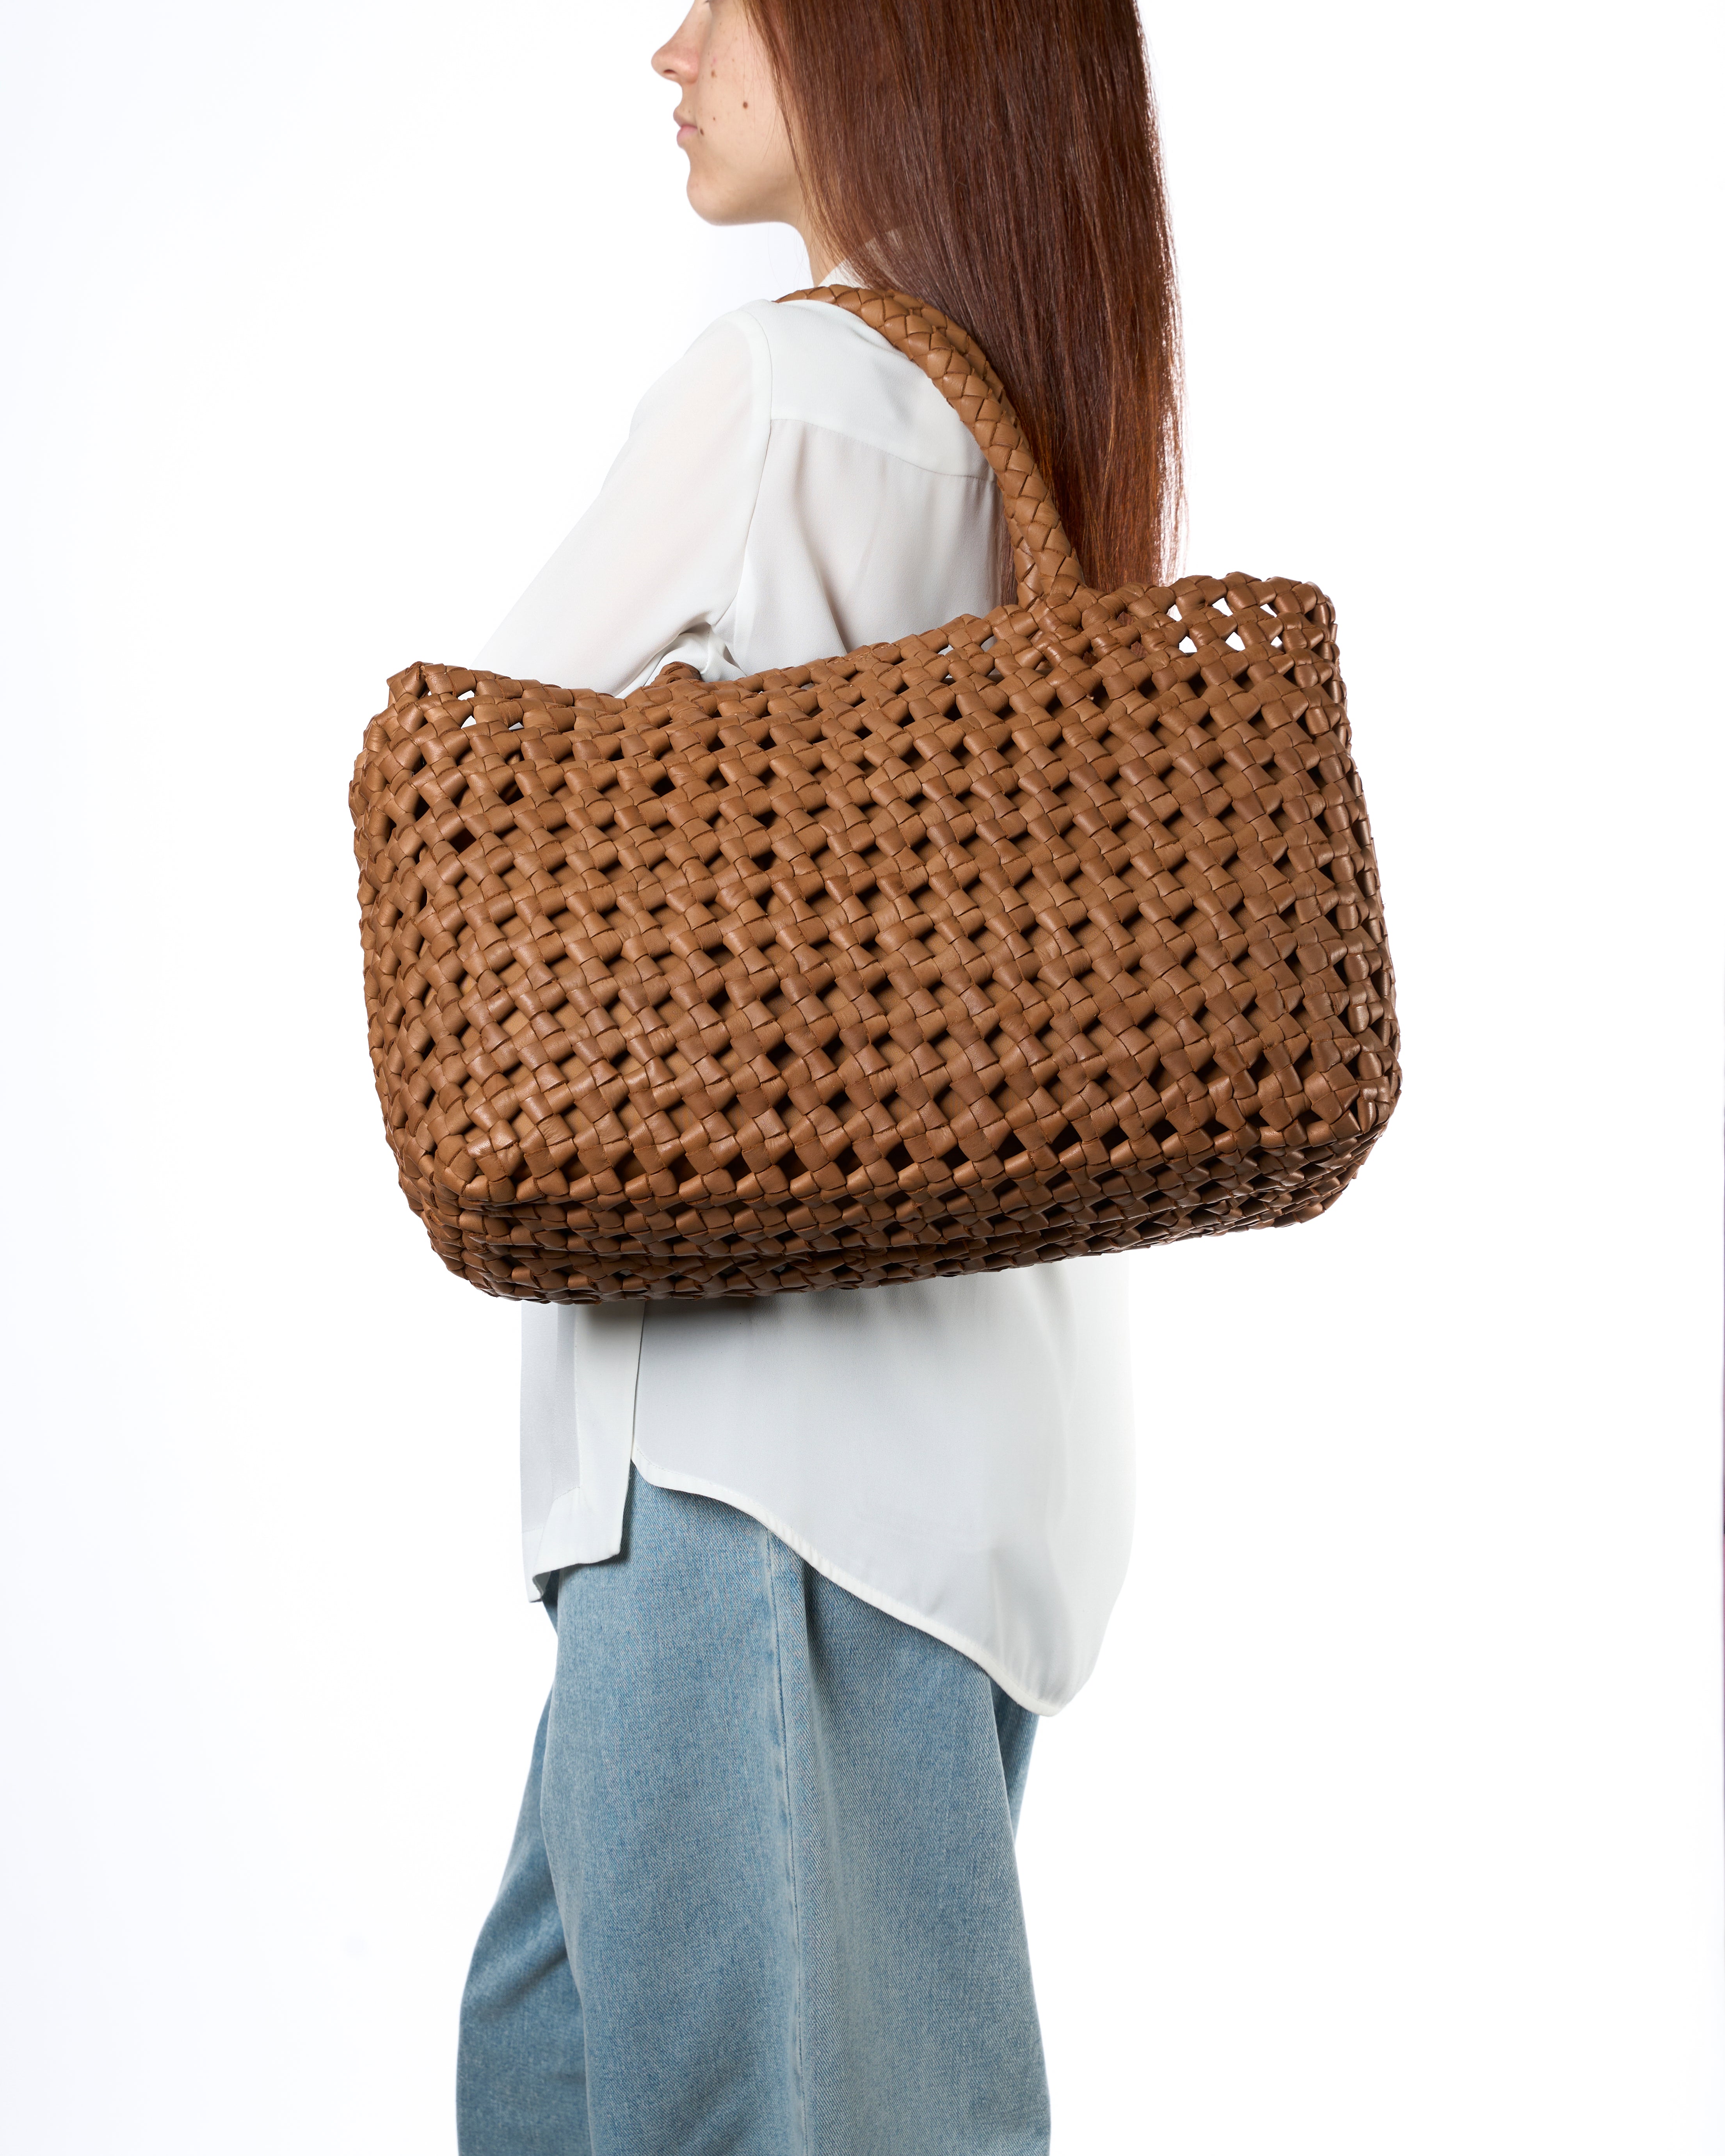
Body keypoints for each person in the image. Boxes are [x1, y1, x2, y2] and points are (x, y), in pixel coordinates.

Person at [454, 3, 1181, 2149]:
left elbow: (470, 806)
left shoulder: (788, 395)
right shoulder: (1028, 446)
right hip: (965, 1476)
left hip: (752, 1459)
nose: (667, 47)